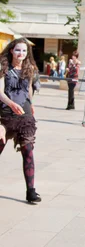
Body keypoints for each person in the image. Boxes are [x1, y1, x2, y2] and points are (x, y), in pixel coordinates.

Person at [0, 38, 41, 204]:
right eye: (18, 50)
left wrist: (31, 105)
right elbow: (0, 92)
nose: (21, 54)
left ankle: (31, 191)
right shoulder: (3, 67)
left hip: (24, 117)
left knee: (28, 151)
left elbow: (29, 89)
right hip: (4, 115)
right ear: (11, 50)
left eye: (24, 51)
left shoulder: (29, 68)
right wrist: (11, 103)